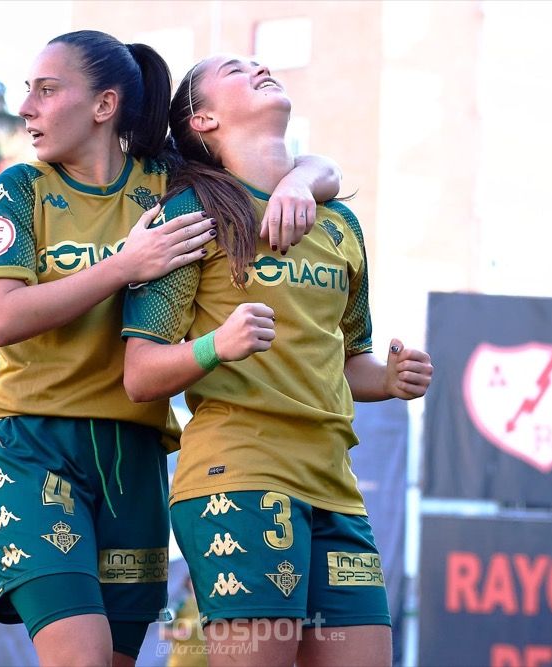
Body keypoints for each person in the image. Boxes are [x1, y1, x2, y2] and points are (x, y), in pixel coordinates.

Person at [0, 32, 343, 667]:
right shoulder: (20, 188)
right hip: (30, 447)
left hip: (136, 456)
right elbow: (1, 318)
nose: (26, 107)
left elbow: (291, 165)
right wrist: (124, 265)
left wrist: (302, 181)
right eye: (29, 91)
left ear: (104, 104)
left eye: (47, 90)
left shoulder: (171, 183)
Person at [120, 54, 434, 667]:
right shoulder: (189, 213)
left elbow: (350, 363)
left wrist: (390, 378)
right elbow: (140, 373)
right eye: (234, 69)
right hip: (238, 477)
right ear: (203, 119)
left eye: (256, 62)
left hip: (336, 488)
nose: (259, 66)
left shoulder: (340, 223)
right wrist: (217, 345)